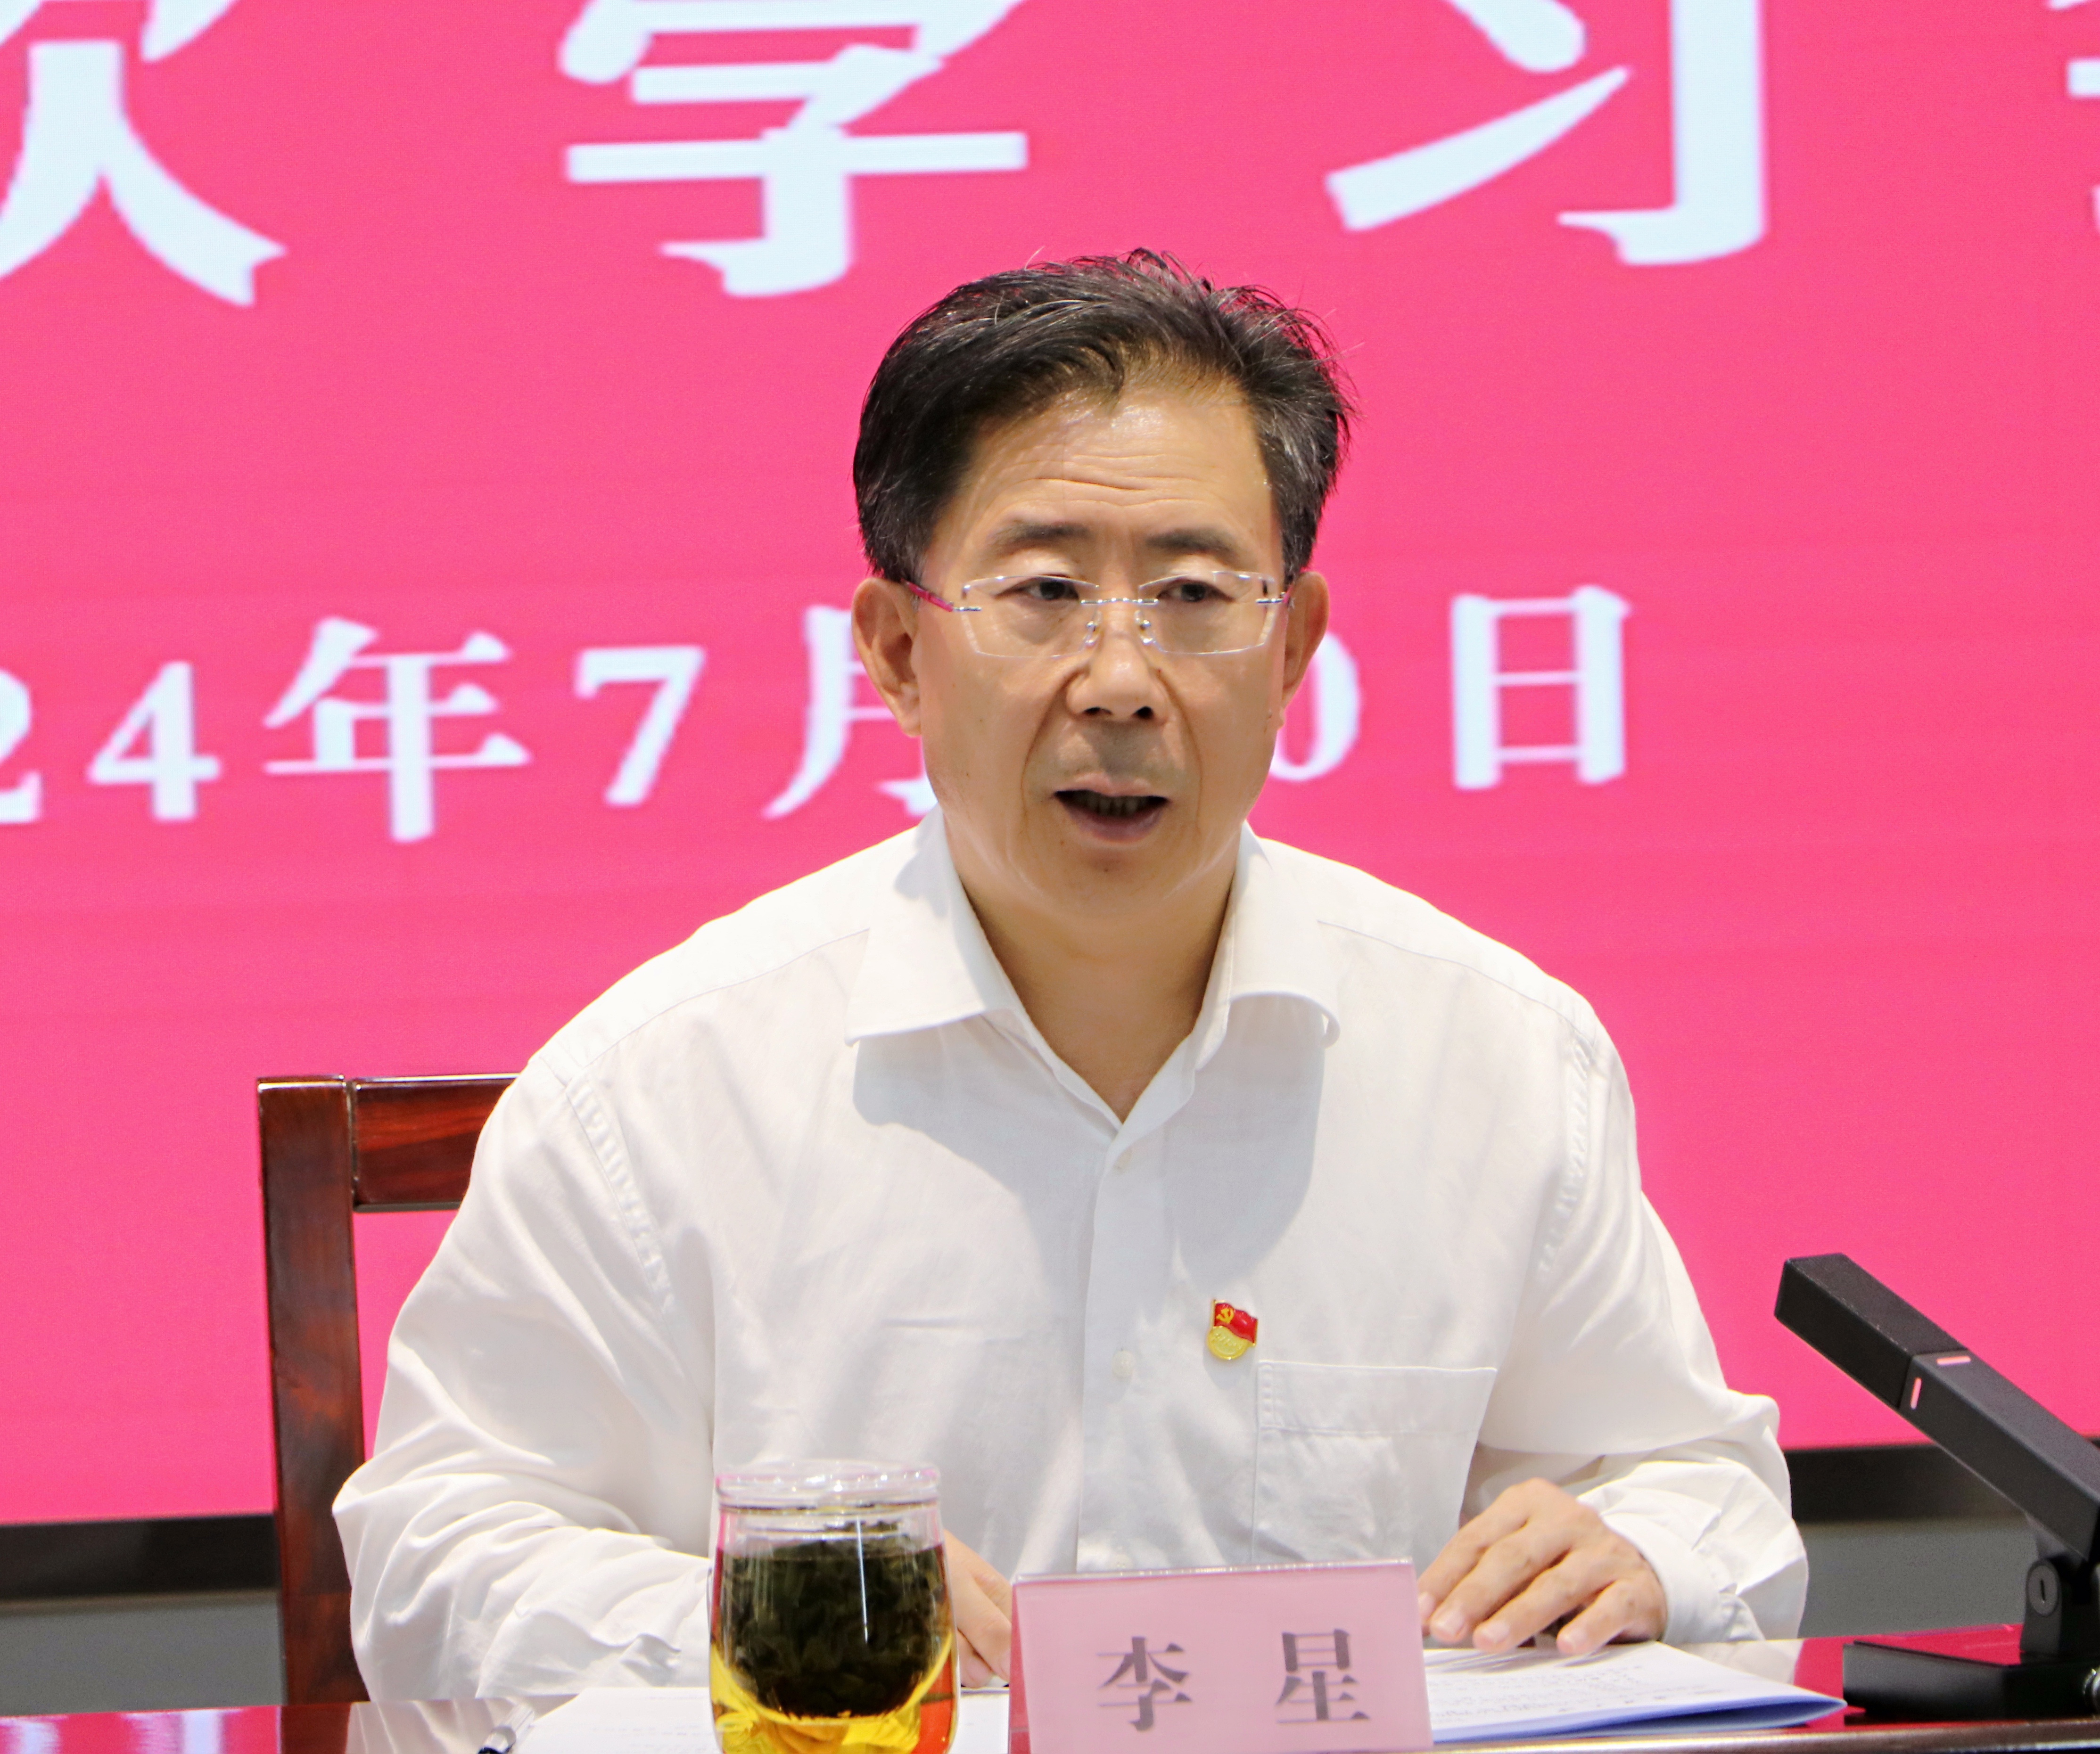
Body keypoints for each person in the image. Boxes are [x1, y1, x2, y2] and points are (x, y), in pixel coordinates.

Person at [336, 251, 1806, 1701]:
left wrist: (1640, 1550)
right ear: (899, 653)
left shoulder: (1497, 1059)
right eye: (1045, 590)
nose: (1119, 678)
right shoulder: (662, 1087)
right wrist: (772, 1614)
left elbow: (1700, 1486)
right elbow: (437, 1555)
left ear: (1292, 648)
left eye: (1193, 593)